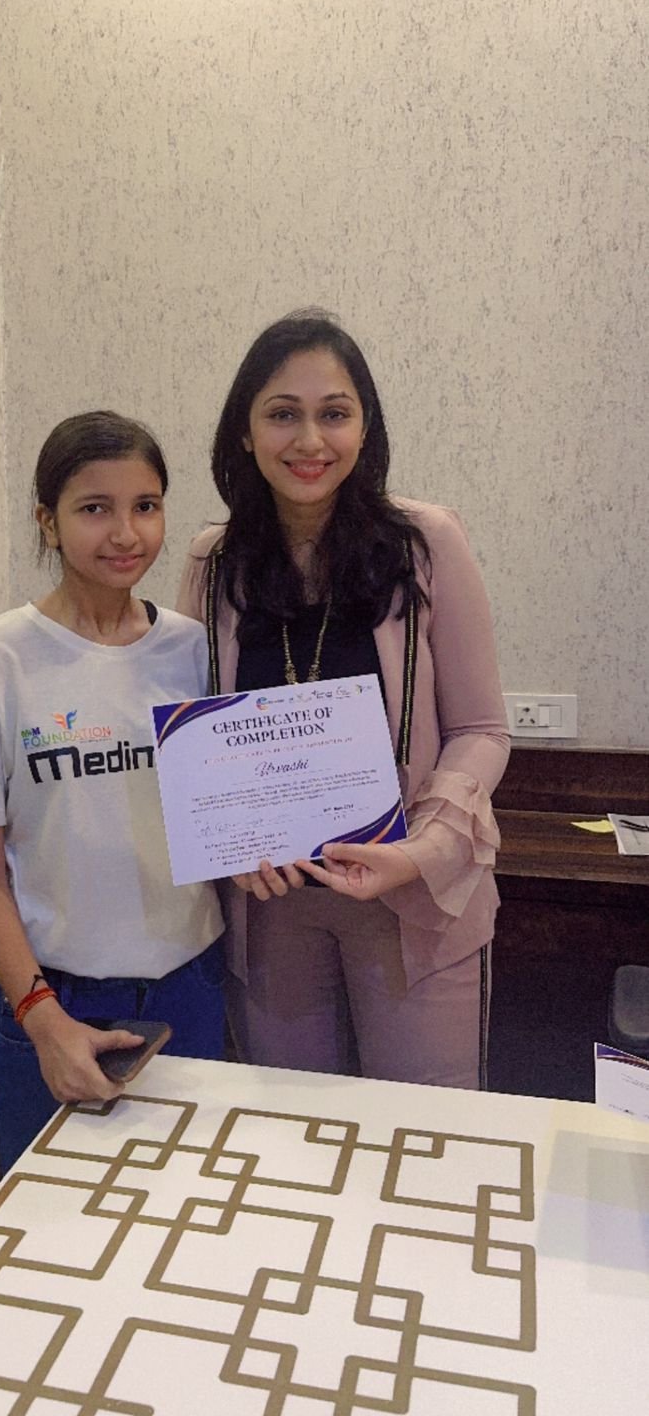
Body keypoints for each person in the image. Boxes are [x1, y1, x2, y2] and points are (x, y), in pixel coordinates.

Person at [177, 312, 509, 1090]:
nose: (309, 440)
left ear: (365, 427)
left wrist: (421, 851)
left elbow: (481, 729)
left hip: (414, 897)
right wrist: (228, 841)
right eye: (282, 414)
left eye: (333, 413)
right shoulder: (213, 562)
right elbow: (195, 740)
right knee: (290, 1136)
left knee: (427, 1133)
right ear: (245, 432)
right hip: (272, 910)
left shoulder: (426, 544)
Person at [0, 411, 224, 1172]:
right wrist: (42, 1017)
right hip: (52, 1000)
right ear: (48, 522)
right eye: (95, 508)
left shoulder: (196, 650)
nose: (126, 533)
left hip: (191, 989)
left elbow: (229, 815)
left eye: (146, 506)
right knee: (48, 1222)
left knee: (190, 1211)